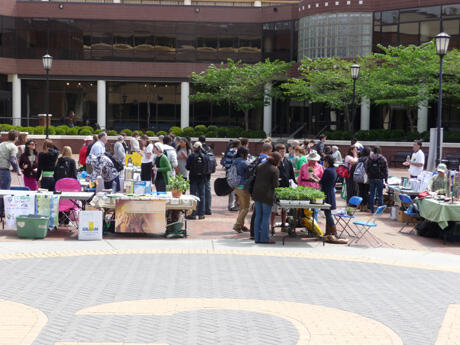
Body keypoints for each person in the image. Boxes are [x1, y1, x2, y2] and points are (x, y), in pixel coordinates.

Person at [251, 152, 281, 244]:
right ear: (277, 160)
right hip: (267, 195)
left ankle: (257, 238)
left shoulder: (260, 166)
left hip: (257, 193)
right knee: (265, 217)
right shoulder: (274, 169)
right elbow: (275, 185)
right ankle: (264, 238)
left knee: (258, 216)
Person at [320, 155, 347, 244]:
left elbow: (322, 182)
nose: (323, 162)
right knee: (328, 213)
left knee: (328, 214)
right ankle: (328, 233)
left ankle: (334, 233)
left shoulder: (327, 170)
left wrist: (315, 179)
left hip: (327, 193)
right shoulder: (334, 170)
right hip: (330, 192)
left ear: (327, 161)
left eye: (324, 161)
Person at [273, 143, 295, 231]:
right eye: (281, 151)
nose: (283, 153)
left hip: (286, 187)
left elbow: (291, 175)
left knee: (285, 208)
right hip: (277, 187)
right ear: (277, 152)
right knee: (274, 209)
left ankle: (283, 224)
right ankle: (272, 226)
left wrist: (294, 184)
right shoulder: (274, 162)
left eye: (284, 151)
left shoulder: (288, 161)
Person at [186, 141, 209, 220]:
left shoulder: (191, 156)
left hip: (193, 177)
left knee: (193, 195)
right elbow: (208, 168)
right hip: (202, 178)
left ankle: (193, 214)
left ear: (195, 147)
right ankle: (201, 214)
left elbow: (187, 167)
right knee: (202, 195)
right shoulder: (206, 156)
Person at [232, 146, 250, 232]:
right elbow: (251, 170)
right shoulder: (244, 162)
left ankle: (241, 225)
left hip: (236, 187)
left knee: (242, 207)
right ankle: (237, 225)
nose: (247, 155)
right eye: (246, 154)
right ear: (242, 154)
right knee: (246, 207)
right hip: (243, 187)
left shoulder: (234, 161)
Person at [365, 146, 388, 213]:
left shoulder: (370, 158)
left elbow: (366, 168)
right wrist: (386, 179)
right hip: (380, 178)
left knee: (372, 194)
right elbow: (385, 170)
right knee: (380, 195)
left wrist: (369, 175)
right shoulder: (382, 158)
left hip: (372, 178)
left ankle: (372, 209)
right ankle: (379, 210)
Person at [198, 135, 216, 215]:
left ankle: (200, 208)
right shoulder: (210, 149)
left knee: (200, 191)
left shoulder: (199, 148)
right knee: (208, 191)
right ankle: (208, 209)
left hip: (200, 173)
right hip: (208, 173)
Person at [222, 139, 240, 211]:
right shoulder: (235, 152)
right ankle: (232, 205)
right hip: (232, 173)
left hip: (228, 172)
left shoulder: (230, 151)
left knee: (231, 189)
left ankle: (231, 205)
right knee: (233, 190)